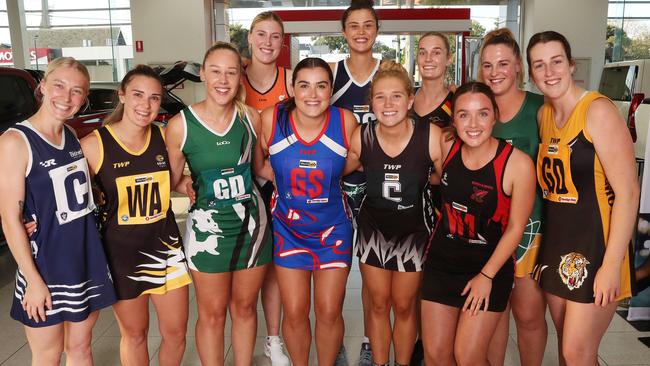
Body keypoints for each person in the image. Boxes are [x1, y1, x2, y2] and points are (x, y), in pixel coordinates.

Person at [527, 31, 639, 366]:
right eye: (539, 65)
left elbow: (629, 193)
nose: (549, 72)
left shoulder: (598, 111)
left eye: (556, 61)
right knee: (567, 349)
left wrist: (610, 267)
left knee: (577, 352)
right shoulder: (544, 115)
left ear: (572, 64)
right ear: (531, 74)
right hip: (558, 245)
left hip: (598, 247)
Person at [0, 57, 116, 364]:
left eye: (76, 91)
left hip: (83, 255)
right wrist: (32, 279)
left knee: (81, 349)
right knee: (47, 355)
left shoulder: (72, 136)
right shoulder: (15, 141)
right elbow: (10, 218)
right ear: (42, 87)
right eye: (59, 85)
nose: (66, 97)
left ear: (84, 97)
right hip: (45, 265)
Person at [165, 42, 272, 366]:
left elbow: (259, 170)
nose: (223, 80)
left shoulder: (251, 118)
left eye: (231, 72)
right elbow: (171, 181)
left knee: (244, 308)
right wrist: (184, 183)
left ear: (240, 78)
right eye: (216, 71)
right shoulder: (181, 125)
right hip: (206, 233)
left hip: (252, 228)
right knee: (211, 314)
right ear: (203, 74)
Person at [81, 65, 192, 366]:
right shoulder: (93, 145)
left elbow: (175, 180)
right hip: (122, 255)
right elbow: (68, 197)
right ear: (122, 96)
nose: (146, 105)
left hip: (166, 249)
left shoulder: (164, 136)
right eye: (138, 95)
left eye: (154, 98)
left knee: (176, 334)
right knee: (135, 335)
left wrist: (191, 185)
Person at [420, 81, 536, 365]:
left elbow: (515, 229)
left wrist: (486, 276)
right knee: (435, 354)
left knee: (468, 356)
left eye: (482, 114)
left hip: (489, 268)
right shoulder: (446, 146)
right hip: (442, 263)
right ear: (454, 120)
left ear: (495, 116)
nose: (473, 124)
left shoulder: (517, 164)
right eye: (463, 115)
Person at [260, 57, 357, 366]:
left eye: (321, 86)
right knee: (296, 310)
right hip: (289, 230)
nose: (312, 94)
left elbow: (351, 164)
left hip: (333, 228)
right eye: (304, 85)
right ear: (292, 88)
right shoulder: (271, 119)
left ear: (331, 90)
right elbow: (258, 161)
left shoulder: (345, 122)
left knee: (329, 310)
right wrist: (281, 179)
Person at [344, 61, 441, 366]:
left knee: (403, 306)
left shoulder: (430, 135)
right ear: (371, 102)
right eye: (380, 97)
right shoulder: (363, 136)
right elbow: (336, 169)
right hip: (374, 231)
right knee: (377, 305)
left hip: (413, 233)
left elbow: (448, 178)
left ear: (410, 100)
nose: (388, 104)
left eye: (396, 96)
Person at [478, 28, 548, 366]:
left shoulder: (539, 108)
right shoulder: (477, 110)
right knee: (494, 315)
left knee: (529, 315)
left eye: (503, 63)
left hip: (530, 231)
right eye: (488, 65)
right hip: (487, 231)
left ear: (519, 66)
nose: (495, 73)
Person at [330, 1, 381, 363]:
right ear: (344, 31)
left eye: (368, 25)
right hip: (339, 185)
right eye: (354, 26)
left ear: (377, 30)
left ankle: (368, 341)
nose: (361, 32)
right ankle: (334, 345)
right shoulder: (331, 74)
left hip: (381, 187)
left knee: (371, 273)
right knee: (336, 270)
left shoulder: (390, 71)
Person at [241, 11, 292, 366]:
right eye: (262, 34)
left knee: (273, 266)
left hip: (279, 183)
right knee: (243, 272)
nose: (268, 43)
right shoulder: (232, 76)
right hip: (240, 183)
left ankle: (273, 339)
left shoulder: (292, 81)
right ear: (249, 37)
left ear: (283, 43)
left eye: (275, 36)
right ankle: (240, 341)